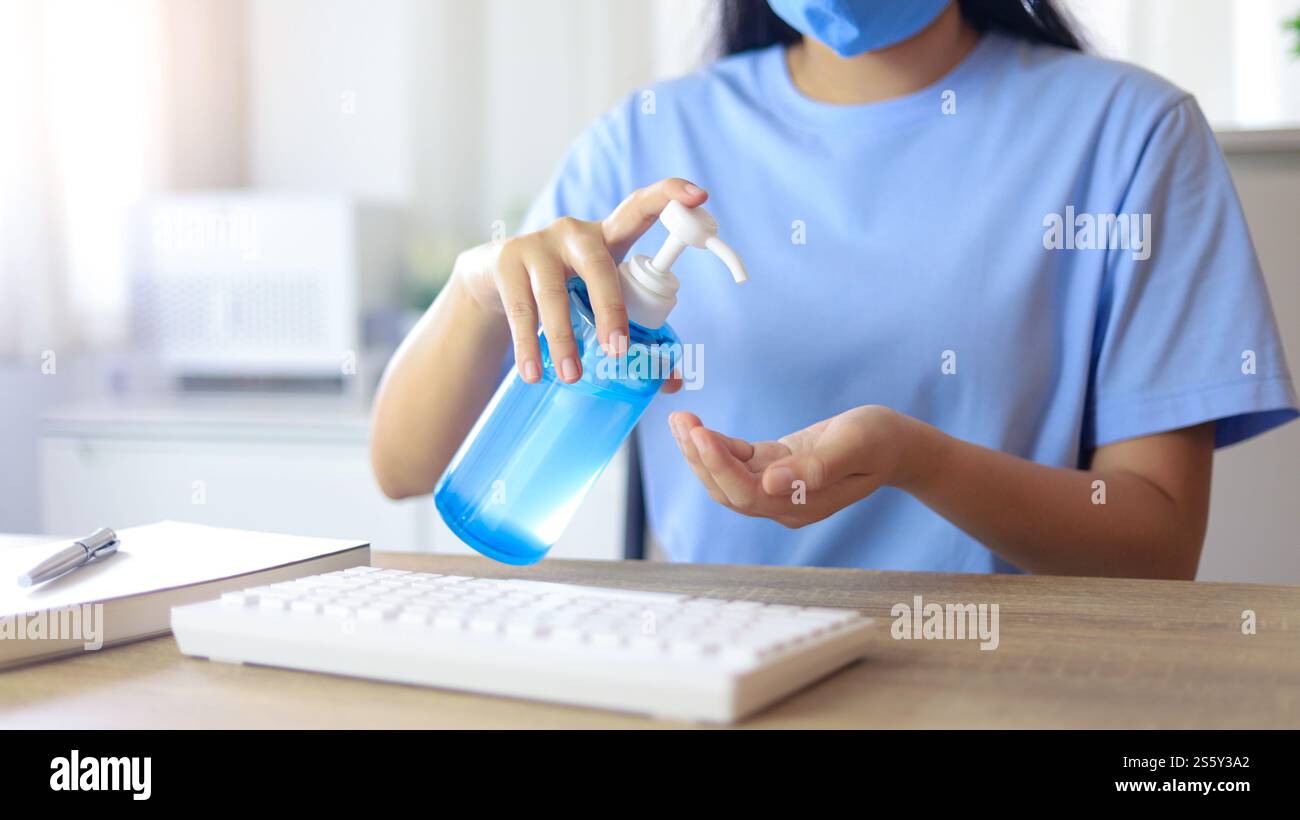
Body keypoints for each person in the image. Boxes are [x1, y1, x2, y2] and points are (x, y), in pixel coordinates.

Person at [370, 0, 1297, 579]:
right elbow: (404, 467)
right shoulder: (647, 139)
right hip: (710, 680)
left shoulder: (1131, 135)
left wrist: (918, 460)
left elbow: (1157, 545)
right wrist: (478, 289)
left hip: (1006, 691)